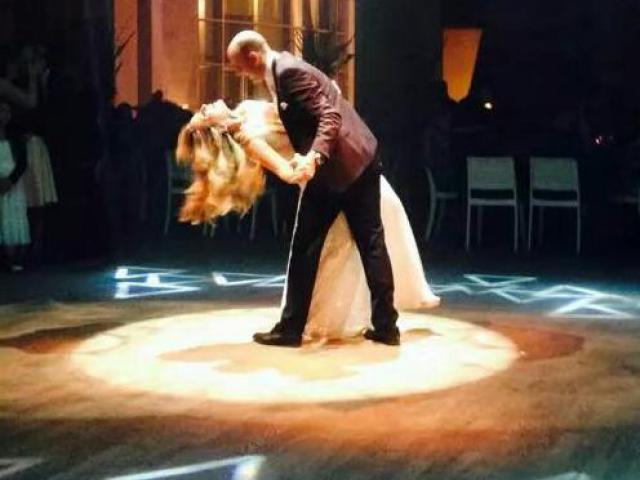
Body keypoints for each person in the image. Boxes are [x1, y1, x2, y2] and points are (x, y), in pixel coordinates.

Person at [177, 98, 440, 343]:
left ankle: (371, 323)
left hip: (341, 163)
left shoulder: (246, 108)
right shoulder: (247, 138)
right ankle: (352, 322)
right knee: (338, 254)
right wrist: (307, 165)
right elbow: (286, 169)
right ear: (217, 129)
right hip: (326, 178)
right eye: (204, 114)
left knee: (368, 241)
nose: (205, 105)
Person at [223, 30, 410, 347]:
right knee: (371, 242)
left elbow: (329, 115)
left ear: (252, 57)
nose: (239, 73)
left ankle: (290, 329)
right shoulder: (285, 70)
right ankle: (386, 326)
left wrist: (314, 157)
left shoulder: (288, 72)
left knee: (306, 245)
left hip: (336, 166)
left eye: (238, 66)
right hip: (360, 157)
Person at [0, 100, 30, 271]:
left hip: (13, 184)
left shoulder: (15, 136)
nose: (3, 115)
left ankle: (16, 258)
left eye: (6, 111)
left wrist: (11, 180)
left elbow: (22, 162)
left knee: (14, 217)